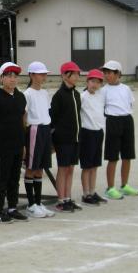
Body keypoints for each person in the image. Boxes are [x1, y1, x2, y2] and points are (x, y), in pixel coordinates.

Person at [0, 62, 28, 222]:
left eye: (15, 76)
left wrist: (23, 144)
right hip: (2, 146)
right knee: (1, 178)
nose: (12, 79)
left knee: (14, 178)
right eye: (9, 76)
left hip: (17, 144)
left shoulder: (20, 97)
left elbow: (22, 121)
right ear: (1, 78)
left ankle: (12, 207)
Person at [101, 60, 138, 200]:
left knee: (127, 155)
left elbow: (130, 104)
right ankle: (110, 187)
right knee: (112, 156)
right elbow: (102, 108)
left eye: (109, 72)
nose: (106, 75)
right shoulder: (103, 90)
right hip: (112, 121)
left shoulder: (126, 88)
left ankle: (124, 185)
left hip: (127, 120)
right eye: (105, 73)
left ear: (118, 73)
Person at [23, 61, 55, 219]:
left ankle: (38, 202)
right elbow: (24, 116)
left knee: (41, 167)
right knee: (31, 167)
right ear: (31, 75)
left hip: (45, 129)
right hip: (34, 129)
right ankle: (31, 205)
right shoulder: (27, 94)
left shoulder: (44, 93)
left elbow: (47, 112)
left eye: (44, 74)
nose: (43, 76)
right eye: (40, 74)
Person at [50, 61, 82, 213]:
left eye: (77, 74)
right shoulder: (59, 95)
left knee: (71, 168)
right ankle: (61, 200)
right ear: (64, 75)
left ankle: (68, 198)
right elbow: (53, 118)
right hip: (63, 139)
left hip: (75, 138)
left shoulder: (76, 94)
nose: (76, 76)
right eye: (72, 73)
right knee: (62, 169)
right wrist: (55, 139)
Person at [79, 69, 107, 205]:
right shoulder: (82, 97)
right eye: (92, 81)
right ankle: (86, 194)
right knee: (87, 166)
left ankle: (92, 191)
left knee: (95, 165)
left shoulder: (100, 96)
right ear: (87, 82)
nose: (94, 84)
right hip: (87, 132)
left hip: (98, 132)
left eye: (98, 82)